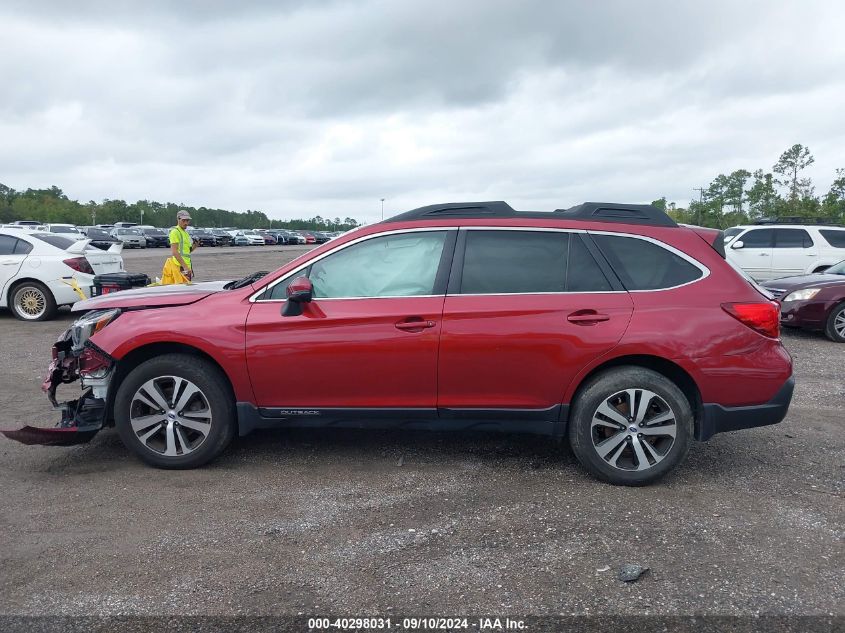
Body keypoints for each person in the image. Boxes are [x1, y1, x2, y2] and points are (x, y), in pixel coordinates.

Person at [161, 210, 199, 284]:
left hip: (186, 266)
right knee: (181, 289)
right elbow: (175, 252)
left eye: (187, 221)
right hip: (180, 266)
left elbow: (187, 251)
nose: (186, 223)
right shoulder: (175, 232)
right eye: (183, 220)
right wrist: (185, 267)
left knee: (187, 289)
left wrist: (195, 245)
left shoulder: (185, 233)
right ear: (178, 219)